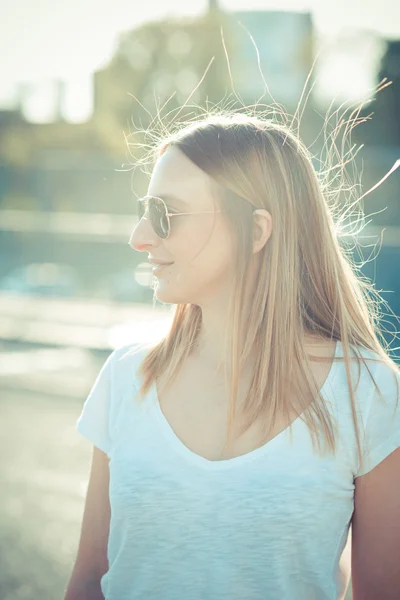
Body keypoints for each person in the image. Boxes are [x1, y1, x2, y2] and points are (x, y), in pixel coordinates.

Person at [65, 112, 400, 600]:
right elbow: (89, 580)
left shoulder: (367, 393)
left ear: (258, 230)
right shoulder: (127, 375)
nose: (139, 236)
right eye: (144, 210)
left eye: (166, 213)